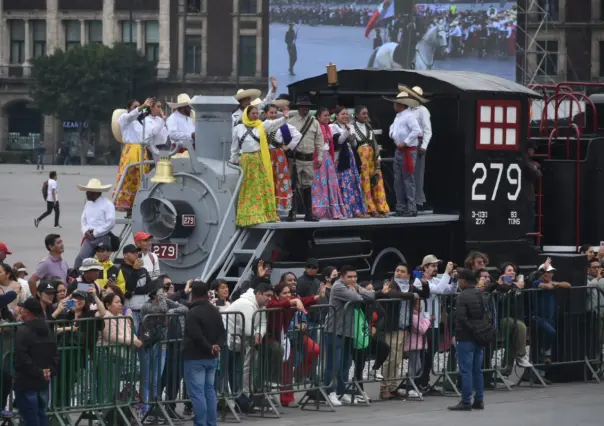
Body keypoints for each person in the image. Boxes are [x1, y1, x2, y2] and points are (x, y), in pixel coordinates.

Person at [323, 265, 375, 406]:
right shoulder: (338, 287)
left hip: (348, 331)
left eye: (355, 277)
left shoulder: (354, 285)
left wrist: (358, 289)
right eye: (349, 277)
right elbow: (357, 298)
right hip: (334, 330)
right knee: (334, 363)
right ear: (341, 276)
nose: (353, 279)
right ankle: (330, 392)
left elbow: (372, 295)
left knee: (346, 363)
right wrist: (359, 292)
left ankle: (342, 391)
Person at [230, 105, 287, 226]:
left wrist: (284, 118)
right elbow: (234, 147)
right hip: (245, 160)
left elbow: (274, 124)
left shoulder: (261, 125)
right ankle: (249, 215)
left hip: (258, 159)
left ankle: (263, 214)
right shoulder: (238, 129)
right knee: (247, 188)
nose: (255, 116)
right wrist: (233, 160)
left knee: (261, 187)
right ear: (247, 114)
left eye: (257, 113)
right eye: (253, 114)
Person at [183, 280, 225, 426]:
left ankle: (201, 423)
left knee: (197, 393)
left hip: (195, 357)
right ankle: (211, 423)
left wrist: (209, 347)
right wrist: (216, 346)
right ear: (207, 293)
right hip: (212, 358)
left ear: (192, 294)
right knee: (210, 392)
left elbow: (196, 335)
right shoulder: (214, 310)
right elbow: (222, 332)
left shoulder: (193, 312)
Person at [14, 297, 59, 426]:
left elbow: (22, 357)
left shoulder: (23, 331)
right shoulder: (49, 330)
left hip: (27, 381)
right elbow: (55, 353)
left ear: (26, 312)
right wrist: (48, 371)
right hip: (43, 380)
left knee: (30, 416)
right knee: (41, 412)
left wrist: (39, 371)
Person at [449, 269, 487, 411]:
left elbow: (461, 318)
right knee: (478, 369)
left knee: (466, 370)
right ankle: (479, 399)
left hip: (466, 337)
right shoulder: (480, 294)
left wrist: (471, 329)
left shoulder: (462, 297)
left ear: (464, 280)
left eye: (459, 279)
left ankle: (465, 401)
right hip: (479, 336)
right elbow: (484, 314)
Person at [112, 98, 154, 215]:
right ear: (128, 109)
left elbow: (149, 136)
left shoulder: (140, 123)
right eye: (134, 106)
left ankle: (139, 203)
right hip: (131, 151)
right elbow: (131, 115)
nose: (137, 109)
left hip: (142, 151)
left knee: (142, 178)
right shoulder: (124, 119)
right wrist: (142, 107)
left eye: (138, 106)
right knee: (130, 177)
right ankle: (129, 207)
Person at [288, 96, 323, 222]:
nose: (305, 109)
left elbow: (319, 141)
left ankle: (309, 213)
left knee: (308, 186)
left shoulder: (314, 122)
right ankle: (291, 212)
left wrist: (319, 157)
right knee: (292, 186)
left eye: (307, 107)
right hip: (295, 158)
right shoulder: (291, 122)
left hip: (308, 159)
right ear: (298, 108)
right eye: (303, 107)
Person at [398, 85, 433, 212]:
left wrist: (423, 146)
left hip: (417, 143)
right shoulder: (407, 111)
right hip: (406, 143)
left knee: (417, 174)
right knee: (407, 174)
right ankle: (409, 201)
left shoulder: (422, 110)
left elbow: (428, 131)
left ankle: (418, 202)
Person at [386, 91, 421, 217]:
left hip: (408, 151)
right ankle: (400, 207)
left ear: (401, 104)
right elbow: (392, 129)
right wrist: (392, 135)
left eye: (396, 103)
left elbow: (417, 130)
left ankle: (412, 208)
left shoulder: (409, 116)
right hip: (399, 150)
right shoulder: (398, 116)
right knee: (398, 180)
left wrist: (405, 142)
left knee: (408, 180)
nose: (394, 106)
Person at [330, 106, 368, 218]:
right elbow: (339, 141)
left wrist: (352, 138)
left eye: (346, 114)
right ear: (336, 115)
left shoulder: (350, 126)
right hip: (340, 158)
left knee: (352, 184)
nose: (345, 116)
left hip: (350, 157)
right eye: (342, 114)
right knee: (343, 184)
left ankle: (355, 209)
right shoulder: (332, 126)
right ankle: (344, 210)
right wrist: (347, 131)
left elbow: (354, 145)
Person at [264, 103, 302, 212]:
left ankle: (280, 206)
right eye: (271, 112)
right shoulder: (262, 125)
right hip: (266, 155)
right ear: (265, 113)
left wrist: (288, 147)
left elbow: (298, 135)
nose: (273, 114)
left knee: (280, 179)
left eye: (275, 112)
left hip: (278, 155)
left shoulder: (283, 126)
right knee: (268, 179)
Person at [353, 106, 389, 217]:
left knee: (376, 181)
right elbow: (353, 145)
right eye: (363, 113)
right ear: (357, 115)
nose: (366, 116)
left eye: (367, 113)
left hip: (372, 158)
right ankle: (369, 208)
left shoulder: (369, 127)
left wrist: (378, 158)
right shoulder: (352, 127)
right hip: (361, 159)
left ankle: (380, 207)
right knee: (365, 183)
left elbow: (374, 144)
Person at [312, 107, 346, 220]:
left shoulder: (328, 127)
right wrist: (317, 158)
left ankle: (334, 211)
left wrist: (332, 158)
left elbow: (331, 146)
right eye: (324, 116)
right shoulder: (315, 127)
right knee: (320, 184)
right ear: (318, 117)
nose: (327, 118)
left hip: (328, 158)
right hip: (319, 158)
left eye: (328, 115)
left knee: (331, 184)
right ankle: (319, 211)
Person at [74, 178, 116, 270]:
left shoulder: (107, 204)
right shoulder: (88, 203)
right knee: (80, 260)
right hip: (89, 237)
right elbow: (83, 219)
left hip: (103, 236)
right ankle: (78, 279)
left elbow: (111, 222)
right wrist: (85, 231)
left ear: (94, 192)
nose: (86, 193)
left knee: (102, 262)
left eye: (88, 191)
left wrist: (96, 233)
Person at [120, 244, 153, 333]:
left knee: (145, 338)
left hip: (144, 310)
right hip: (131, 310)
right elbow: (128, 289)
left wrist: (135, 290)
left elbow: (150, 287)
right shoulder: (121, 270)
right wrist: (134, 271)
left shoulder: (143, 270)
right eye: (133, 252)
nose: (136, 254)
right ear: (125, 255)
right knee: (132, 337)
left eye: (137, 252)